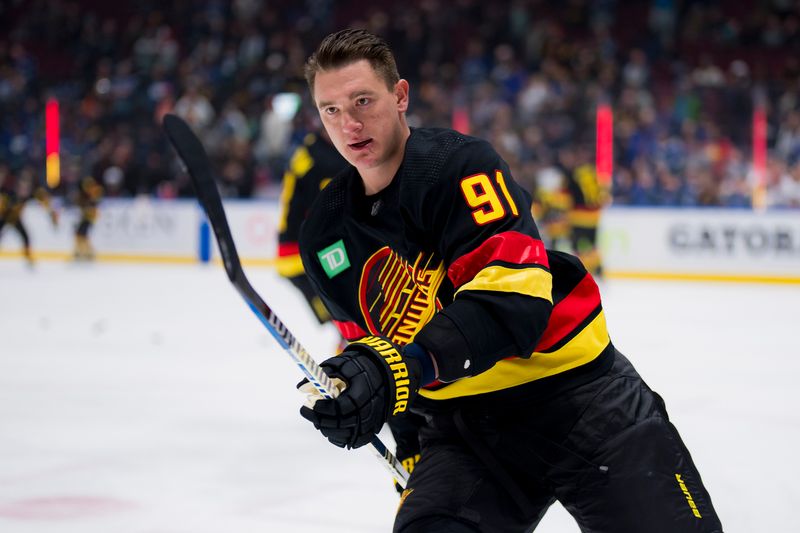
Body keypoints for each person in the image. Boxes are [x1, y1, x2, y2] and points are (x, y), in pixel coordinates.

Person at [296, 29, 723, 533]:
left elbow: (511, 303)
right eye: (331, 110)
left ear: (400, 96)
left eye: (362, 100)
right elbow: (373, 345)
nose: (349, 124)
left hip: (580, 399)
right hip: (464, 433)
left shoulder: (459, 167)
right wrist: (395, 426)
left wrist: (392, 371)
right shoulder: (325, 232)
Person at [276, 125, 347, 324]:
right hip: (306, 244)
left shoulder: (310, 149)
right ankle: (345, 329)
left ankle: (344, 329)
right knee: (343, 294)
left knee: (342, 297)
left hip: (298, 244)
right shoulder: (320, 159)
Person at [0, 164, 59, 266]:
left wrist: (51, 213)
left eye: (27, 186)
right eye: (22, 186)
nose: (24, 189)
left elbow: (44, 199)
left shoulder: (31, 193)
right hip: (4, 217)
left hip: (16, 218)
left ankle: (28, 258)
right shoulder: (9, 193)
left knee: (26, 237)